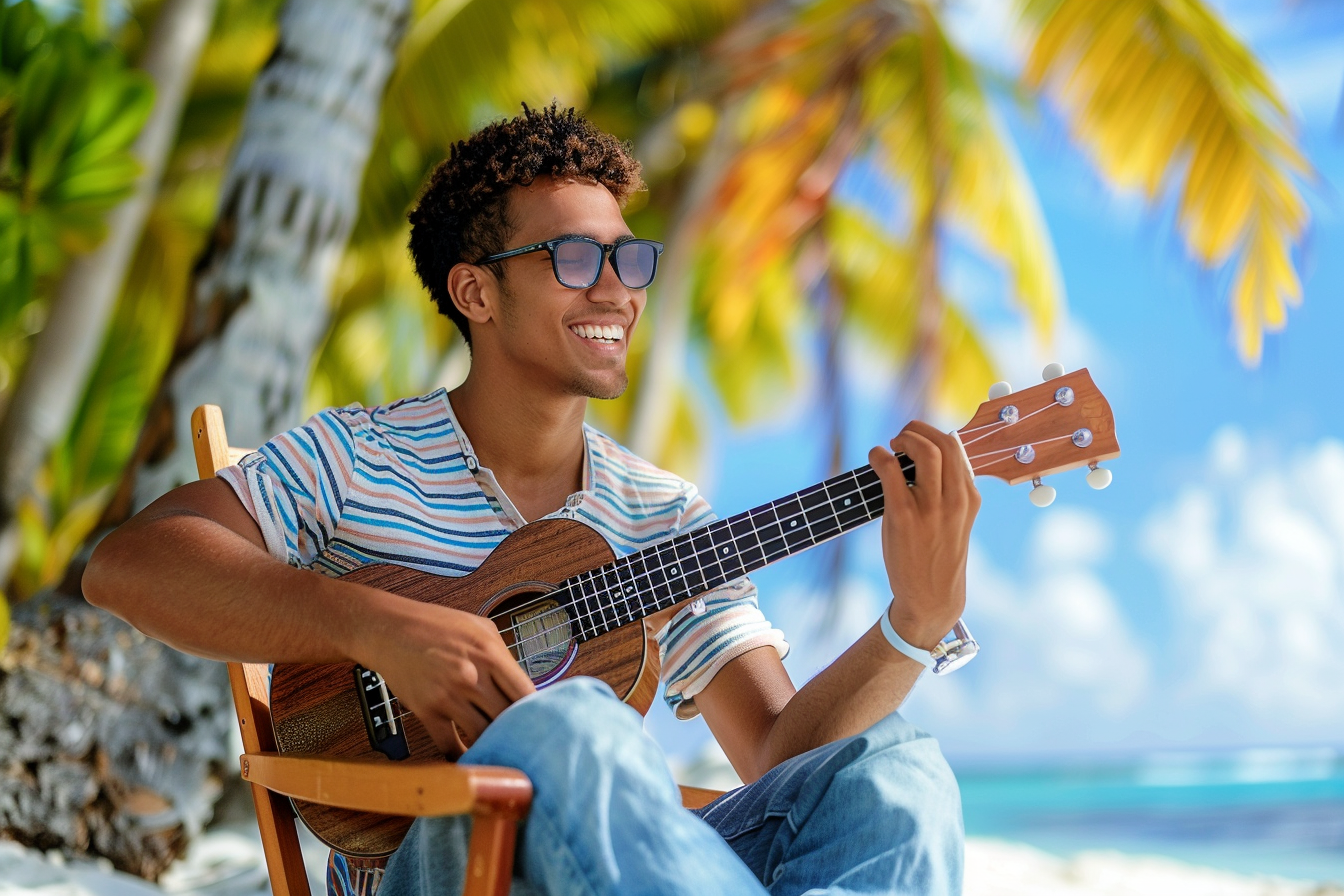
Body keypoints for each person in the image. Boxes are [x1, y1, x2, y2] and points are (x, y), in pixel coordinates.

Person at [84, 104, 980, 896]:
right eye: (577, 257)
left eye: (628, 258)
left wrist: (915, 622)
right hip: (431, 863)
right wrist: (372, 627)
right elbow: (128, 565)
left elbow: (778, 755)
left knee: (893, 766)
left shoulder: (662, 511)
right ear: (477, 290)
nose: (617, 290)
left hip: (614, 862)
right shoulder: (358, 455)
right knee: (577, 722)